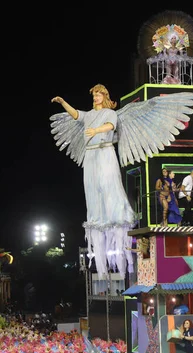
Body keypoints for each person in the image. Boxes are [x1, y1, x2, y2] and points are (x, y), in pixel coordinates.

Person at [50, 85, 139, 278]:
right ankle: (99, 221)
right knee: (92, 190)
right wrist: (63, 102)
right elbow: (76, 115)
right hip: (90, 156)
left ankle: (117, 218)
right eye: (94, 95)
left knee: (109, 186)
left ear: (105, 96)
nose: (96, 97)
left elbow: (110, 126)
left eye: (99, 94)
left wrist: (96, 130)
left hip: (105, 151)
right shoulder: (89, 114)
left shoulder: (110, 113)